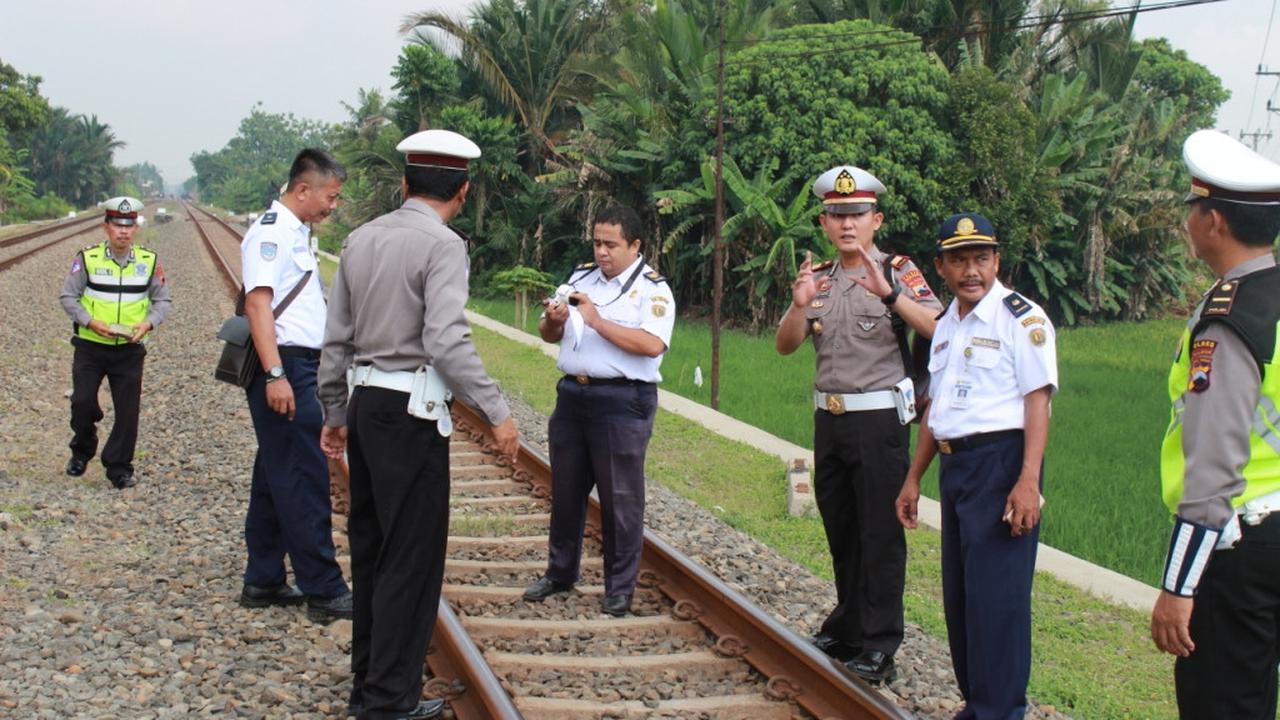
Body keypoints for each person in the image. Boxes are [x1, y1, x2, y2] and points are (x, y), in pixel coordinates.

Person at [318, 129, 519, 720]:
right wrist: (498, 412)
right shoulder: (444, 246)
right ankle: (389, 701)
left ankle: (367, 688)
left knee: (373, 551)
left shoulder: (359, 239)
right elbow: (446, 340)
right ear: (463, 191)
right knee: (411, 560)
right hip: (411, 416)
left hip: (366, 404)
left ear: (404, 183)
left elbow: (337, 341)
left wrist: (334, 412)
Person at [774, 165, 941, 683]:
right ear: (825, 222)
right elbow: (785, 345)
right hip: (831, 419)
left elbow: (938, 325)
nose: (847, 224)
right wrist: (799, 307)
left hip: (880, 423)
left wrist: (891, 295)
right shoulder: (818, 277)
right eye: (837, 214)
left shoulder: (898, 270)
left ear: (876, 219)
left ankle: (880, 643)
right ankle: (848, 626)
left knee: (880, 534)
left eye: (857, 214)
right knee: (842, 528)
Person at [895, 212, 1058, 719]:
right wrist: (914, 477)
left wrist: (1028, 481)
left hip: (1001, 464)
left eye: (981, 258)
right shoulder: (946, 326)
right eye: (960, 260)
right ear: (940, 267)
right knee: (963, 601)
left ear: (997, 262)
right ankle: (979, 705)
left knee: (998, 603)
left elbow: (1038, 401)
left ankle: (1001, 711)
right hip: (956, 469)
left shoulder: (1022, 319)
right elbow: (936, 409)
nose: (972, 270)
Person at [1149, 129, 1280, 718]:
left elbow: (1213, 464)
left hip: (1242, 546)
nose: (1188, 221)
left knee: (1224, 701)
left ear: (1215, 222)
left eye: (1192, 208)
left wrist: (1178, 586)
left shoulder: (1230, 318)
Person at [521, 204, 674, 618]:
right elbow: (549, 333)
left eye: (611, 244)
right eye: (597, 242)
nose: (602, 251)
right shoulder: (579, 278)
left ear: (635, 245)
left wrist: (596, 319)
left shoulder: (653, 289)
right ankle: (560, 572)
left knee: (620, 498)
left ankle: (620, 587)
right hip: (573, 395)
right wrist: (554, 319)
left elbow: (651, 345)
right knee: (566, 491)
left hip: (622, 401)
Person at [237, 149, 352, 622]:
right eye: (331, 196)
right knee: (304, 474)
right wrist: (276, 374)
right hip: (287, 365)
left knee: (275, 471)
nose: (333, 206)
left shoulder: (295, 232)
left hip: (301, 364)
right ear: (303, 189)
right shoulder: (270, 232)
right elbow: (257, 305)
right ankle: (323, 589)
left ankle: (263, 579)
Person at [59, 196, 171, 489]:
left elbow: (162, 301)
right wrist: (90, 321)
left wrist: (148, 323)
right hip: (90, 346)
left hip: (129, 350)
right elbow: (68, 297)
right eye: (117, 226)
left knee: (127, 412)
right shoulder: (87, 259)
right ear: (106, 227)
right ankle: (82, 451)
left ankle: (119, 468)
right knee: (82, 402)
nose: (123, 231)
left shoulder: (149, 262)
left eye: (129, 225)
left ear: (136, 229)